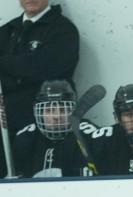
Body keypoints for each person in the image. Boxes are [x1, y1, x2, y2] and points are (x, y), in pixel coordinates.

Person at [0, 0, 79, 137]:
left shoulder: (64, 30)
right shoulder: (7, 31)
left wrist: (8, 67)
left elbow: (41, 68)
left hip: (46, 118)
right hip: (6, 117)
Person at [13, 78, 94, 177]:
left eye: (63, 110)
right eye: (49, 110)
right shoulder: (26, 137)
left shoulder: (88, 134)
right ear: (39, 113)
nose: (57, 116)